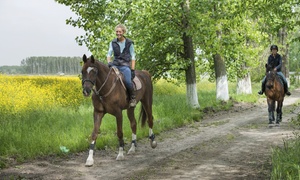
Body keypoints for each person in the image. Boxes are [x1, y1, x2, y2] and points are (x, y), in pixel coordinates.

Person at [107, 24, 137, 107]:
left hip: (125, 66)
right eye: (117, 31)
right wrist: (109, 63)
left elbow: (133, 57)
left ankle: (132, 98)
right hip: (115, 65)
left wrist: (132, 69)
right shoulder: (113, 42)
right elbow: (109, 54)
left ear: (123, 32)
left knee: (127, 81)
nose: (118, 33)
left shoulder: (129, 43)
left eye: (120, 31)